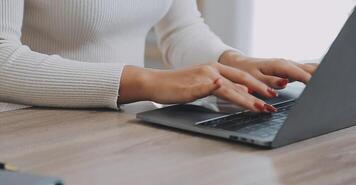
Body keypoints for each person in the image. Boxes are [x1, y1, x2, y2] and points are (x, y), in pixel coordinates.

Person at [0, 0, 317, 113]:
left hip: (124, 126)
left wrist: (234, 63)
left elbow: (182, 30)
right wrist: (146, 81)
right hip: (37, 131)